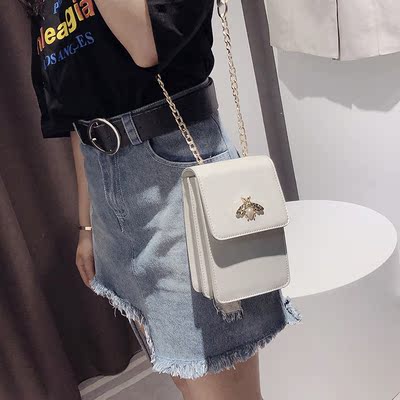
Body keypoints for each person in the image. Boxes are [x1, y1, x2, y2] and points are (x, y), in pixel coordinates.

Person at [25, 0, 302, 398]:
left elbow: (144, 45)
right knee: (188, 383)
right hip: (111, 206)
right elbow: (76, 121)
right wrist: (86, 225)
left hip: (178, 185)